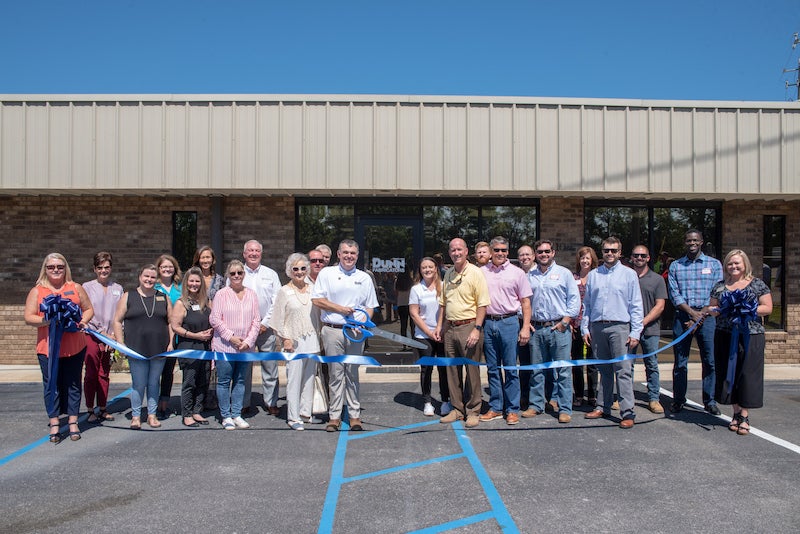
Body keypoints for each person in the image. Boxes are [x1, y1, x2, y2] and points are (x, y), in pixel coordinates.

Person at [24, 253, 94, 443]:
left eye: (60, 266)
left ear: (66, 268)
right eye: (51, 267)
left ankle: (73, 421)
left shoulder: (75, 288)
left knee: (73, 384)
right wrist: (49, 321)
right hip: (48, 349)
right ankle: (54, 422)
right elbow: (29, 317)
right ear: (45, 269)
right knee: (51, 385)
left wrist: (81, 322)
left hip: (75, 346)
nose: (56, 270)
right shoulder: (37, 291)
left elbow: (88, 309)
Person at [312, 239, 379, 432]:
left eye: (353, 253)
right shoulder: (327, 273)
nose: (349, 256)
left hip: (355, 332)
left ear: (357, 256)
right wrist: (340, 309)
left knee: (352, 374)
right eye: (346, 252)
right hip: (333, 330)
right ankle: (334, 416)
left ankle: (354, 415)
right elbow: (317, 299)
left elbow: (370, 306)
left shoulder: (364, 277)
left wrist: (363, 323)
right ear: (338, 254)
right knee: (335, 373)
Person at [705, 250, 772, 436]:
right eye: (730, 264)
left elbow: (768, 308)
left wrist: (746, 309)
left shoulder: (757, 285)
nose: (733, 267)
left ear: (745, 265)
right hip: (725, 334)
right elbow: (712, 308)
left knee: (747, 374)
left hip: (751, 335)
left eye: (737, 264)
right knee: (729, 373)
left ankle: (744, 415)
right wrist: (718, 309)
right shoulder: (719, 286)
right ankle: (735, 413)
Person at [582, 237, 643, 429]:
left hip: (620, 327)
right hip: (598, 327)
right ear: (602, 252)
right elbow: (588, 304)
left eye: (613, 251)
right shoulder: (593, 275)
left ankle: (627, 412)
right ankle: (602, 406)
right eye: (606, 250)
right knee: (603, 370)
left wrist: (636, 331)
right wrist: (585, 327)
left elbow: (636, 305)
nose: (609, 253)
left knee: (623, 371)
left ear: (619, 252)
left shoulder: (629, 274)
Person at [523, 240, 580, 423]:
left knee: (563, 370)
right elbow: (521, 300)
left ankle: (564, 408)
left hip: (559, 328)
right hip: (537, 328)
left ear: (553, 252)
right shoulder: (529, 275)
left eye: (547, 251)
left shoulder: (564, 274)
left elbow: (574, 300)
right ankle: (536, 405)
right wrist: (525, 322)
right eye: (540, 252)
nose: (543, 254)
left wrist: (565, 321)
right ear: (535, 254)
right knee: (537, 370)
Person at [667, 229, 724, 414]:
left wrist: (701, 315)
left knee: (709, 360)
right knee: (680, 362)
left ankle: (709, 400)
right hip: (683, 317)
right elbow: (674, 294)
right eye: (689, 240)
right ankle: (678, 400)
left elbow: (718, 292)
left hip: (707, 318)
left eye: (695, 240)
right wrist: (691, 313)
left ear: (701, 242)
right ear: (685, 242)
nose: (692, 243)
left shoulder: (714, 265)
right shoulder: (676, 266)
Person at [436, 238, 490, 429]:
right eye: (452, 250)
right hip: (450, 328)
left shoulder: (476, 273)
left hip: (469, 326)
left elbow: (483, 303)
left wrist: (477, 328)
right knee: (452, 371)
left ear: (466, 251)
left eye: (459, 249)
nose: (456, 253)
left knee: (472, 371)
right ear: (449, 253)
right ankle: (457, 409)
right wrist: (440, 326)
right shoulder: (448, 273)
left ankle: (474, 410)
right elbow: (443, 302)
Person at [479, 237, 532, 425]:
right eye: (496, 250)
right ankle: (495, 407)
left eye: (503, 250)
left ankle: (512, 409)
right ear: (491, 251)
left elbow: (526, 302)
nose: (500, 253)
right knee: (492, 369)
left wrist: (525, 327)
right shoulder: (481, 272)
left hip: (509, 323)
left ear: (507, 252)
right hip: (488, 322)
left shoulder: (517, 273)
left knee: (510, 368)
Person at [113, 264, 172, 430]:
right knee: (138, 384)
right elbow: (117, 320)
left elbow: (171, 322)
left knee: (154, 383)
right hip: (136, 349)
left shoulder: (163, 297)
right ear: (140, 277)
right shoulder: (128, 296)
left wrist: (170, 343)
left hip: (158, 348)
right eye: (146, 276)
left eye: (153, 277)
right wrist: (120, 343)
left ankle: (152, 415)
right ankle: (136, 416)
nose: (149, 280)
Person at [270, 253, 320, 431]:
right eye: (295, 269)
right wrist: (285, 339)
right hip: (294, 342)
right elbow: (277, 319)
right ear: (290, 271)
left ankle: (306, 412)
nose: (299, 272)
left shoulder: (314, 288)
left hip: (312, 339)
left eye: (303, 268)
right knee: (294, 379)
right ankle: (293, 416)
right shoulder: (284, 291)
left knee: (309, 378)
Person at [209, 260, 261, 430]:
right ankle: (226, 416)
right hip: (225, 346)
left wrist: (248, 341)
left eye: (240, 273)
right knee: (224, 381)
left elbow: (256, 321)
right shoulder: (221, 294)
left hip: (245, 348)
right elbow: (215, 319)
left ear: (244, 274)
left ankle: (237, 413)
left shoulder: (252, 294)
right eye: (233, 273)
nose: (237, 276)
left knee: (240, 381)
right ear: (228, 276)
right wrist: (231, 337)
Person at [241, 239, 282, 416]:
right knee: (244, 368)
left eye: (257, 250)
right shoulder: (236, 273)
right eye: (250, 250)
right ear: (244, 254)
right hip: (243, 330)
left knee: (270, 366)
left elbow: (277, 301)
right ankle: (243, 402)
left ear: (261, 253)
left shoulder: (271, 274)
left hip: (266, 328)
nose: (253, 253)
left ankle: (271, 402)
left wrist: (265, 323)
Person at [170, 267, 213, 428]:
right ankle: (187, 414)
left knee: (203, 381)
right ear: (186, 283)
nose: (194, 284)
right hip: (189, 346)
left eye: (197, 281)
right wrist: (195, 335)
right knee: (190, 382)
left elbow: (214, 319)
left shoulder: (206, 302)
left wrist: (211, 330)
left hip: (205, 347)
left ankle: (197, 411)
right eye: (191, 281)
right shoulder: (181, 303)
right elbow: (175, 326)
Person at [83, 251, 123, 423]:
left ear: (111, 268)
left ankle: (103, 407)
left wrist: (114, 335)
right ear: (94, 269)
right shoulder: (86, 287)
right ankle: (90, 409)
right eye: (100, 268)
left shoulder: (118, 288)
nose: (103, 271)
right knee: (91, 372)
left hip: (110, 337)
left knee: (104, 373)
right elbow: (85, 312)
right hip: (92, 334)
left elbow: (120, 314)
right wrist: (102, 333)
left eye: (107, 267)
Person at [628, 245, 668, 414]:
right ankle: (625, 398)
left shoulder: (657, 279)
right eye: (636, 255)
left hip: (650, 329)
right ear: (631, 257)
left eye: (642, 255)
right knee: (627, 365)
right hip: (629, 329)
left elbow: (660, 306)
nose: (639, 258)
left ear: (648, 258)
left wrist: (641, 323)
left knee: (651, 364)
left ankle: (654, 398)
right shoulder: (627, 277)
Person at [409, 257, 451, 417]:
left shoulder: (444, 286)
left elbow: (447, 309)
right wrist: (429, 332)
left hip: (442, 333)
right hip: (423, 335)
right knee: (426, 369)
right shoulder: (416, 289)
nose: (427, 270)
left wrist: (440, 330)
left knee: (444, 368)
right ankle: (427, 402)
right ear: (420, 270)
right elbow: (414, 313)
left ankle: (445, 400)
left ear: (436, 269)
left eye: (430, 267)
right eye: (424, 267)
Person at [154, 254, 183, 420]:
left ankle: (164, 402)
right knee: (155, 372)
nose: (167, 269)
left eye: (170, 266)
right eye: (164, 267)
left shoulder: (179, 289)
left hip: (175, 337)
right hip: (157, 336)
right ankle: (153, 403)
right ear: (158, 269)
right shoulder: (153, 286)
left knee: (168, 371)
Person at [571, 246, 598, 407]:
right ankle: (579, 394)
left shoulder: (598, 277)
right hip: (575, 325)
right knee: (577, 362)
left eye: (588, 258)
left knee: (593, 362)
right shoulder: (573, 277)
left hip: (592, 325)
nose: (585, 261)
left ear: (592, 260)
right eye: (582, 258)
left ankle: (593, 395)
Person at [516, 245, 535, 408]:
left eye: (527, 254)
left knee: (542, 362)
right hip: (520, 322)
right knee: (524, 361)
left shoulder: (540, 274)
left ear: (533, 256)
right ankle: (524, 395)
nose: (524, 257)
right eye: (521, 255)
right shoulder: (516, 274)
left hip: (538, 324)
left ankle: (549, 396)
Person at [395, 271, 413, 339]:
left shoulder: (397, 281)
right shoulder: (411, 281)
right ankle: (413, 340)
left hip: (401, 304)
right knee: (412, 325)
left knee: (403, 324)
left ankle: (404, 343)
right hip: (410, 304)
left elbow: (396, 293)